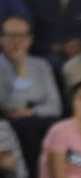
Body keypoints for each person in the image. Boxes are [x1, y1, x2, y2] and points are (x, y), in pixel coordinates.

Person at [0, 10, 61, 164]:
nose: (17, 41)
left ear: (30, 39)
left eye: (22, 36)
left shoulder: (42, 65)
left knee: (56, 129)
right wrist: (20, 71)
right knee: (24, 129)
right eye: (11, 36)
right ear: (1, 38)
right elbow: (8, 107)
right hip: (8, 124)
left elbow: (55, 106)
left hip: (38, 121)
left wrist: (32, 111)